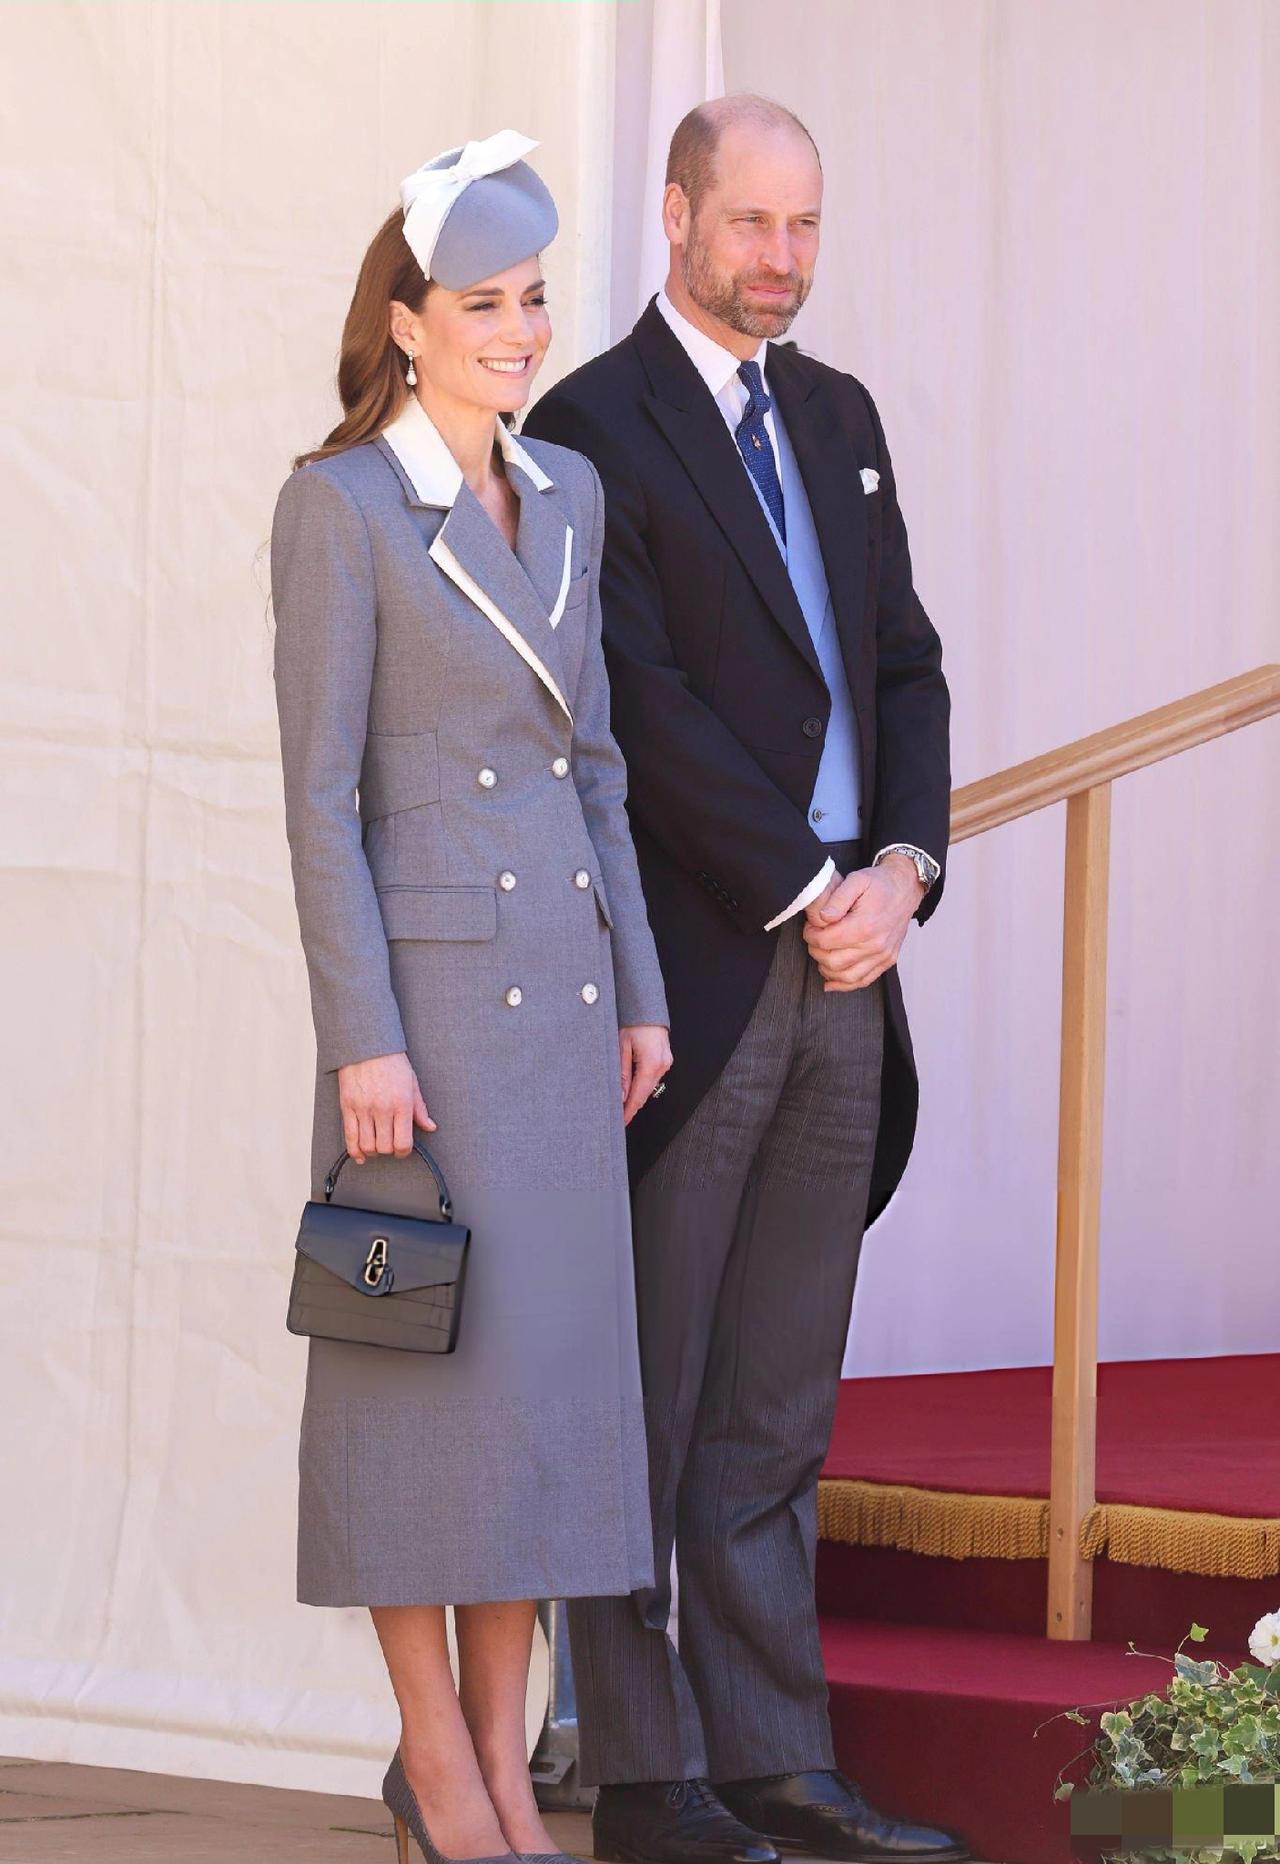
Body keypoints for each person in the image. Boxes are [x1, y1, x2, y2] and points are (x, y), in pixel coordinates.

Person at [522, 97, 968, 1864]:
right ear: (677, 215)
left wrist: (905, 871)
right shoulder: (589, 423)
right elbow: (631, 697)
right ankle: (646, 1779)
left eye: (806, 226)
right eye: (751, 223)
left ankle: (780, 1762)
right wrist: (803, 882)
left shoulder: (840, 417)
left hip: (853, 963)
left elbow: (905, 668)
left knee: (778, 1400)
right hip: (698, 973)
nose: (781, 259)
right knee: (647, 1393)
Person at [269, 130, 672, 1864]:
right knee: (413, 1386)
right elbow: (320, 799)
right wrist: (360, 1036)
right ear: (407, 322)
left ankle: (509, 1775)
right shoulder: (342, 507)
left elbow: (599, 766)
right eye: (484, 304)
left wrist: (639, 989)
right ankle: (437, 1763)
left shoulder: (567, 492)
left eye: (533, 300)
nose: (519, 332)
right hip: (423, 1030)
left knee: (535, 1408)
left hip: (563, 1013)